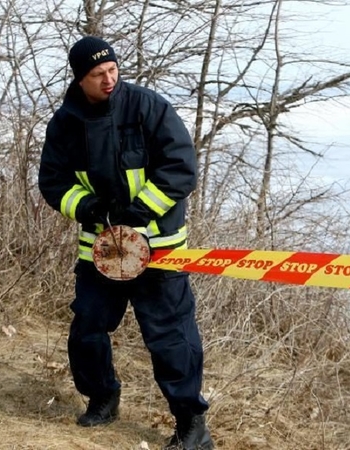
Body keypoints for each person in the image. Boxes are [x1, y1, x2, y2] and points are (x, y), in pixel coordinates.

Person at [38, 36, 214, 450]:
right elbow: (53, 183)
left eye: (113, 69)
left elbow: (181, 167)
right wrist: (90, 208)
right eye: (98, 74)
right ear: (80, 79)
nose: (109, 79)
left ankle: (192, 424)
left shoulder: (148, 107)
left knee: (171, 339)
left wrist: (141, 211)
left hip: (159, 250)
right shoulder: (65, 123)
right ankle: (102, 398)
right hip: (100, 252)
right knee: (87, 330)